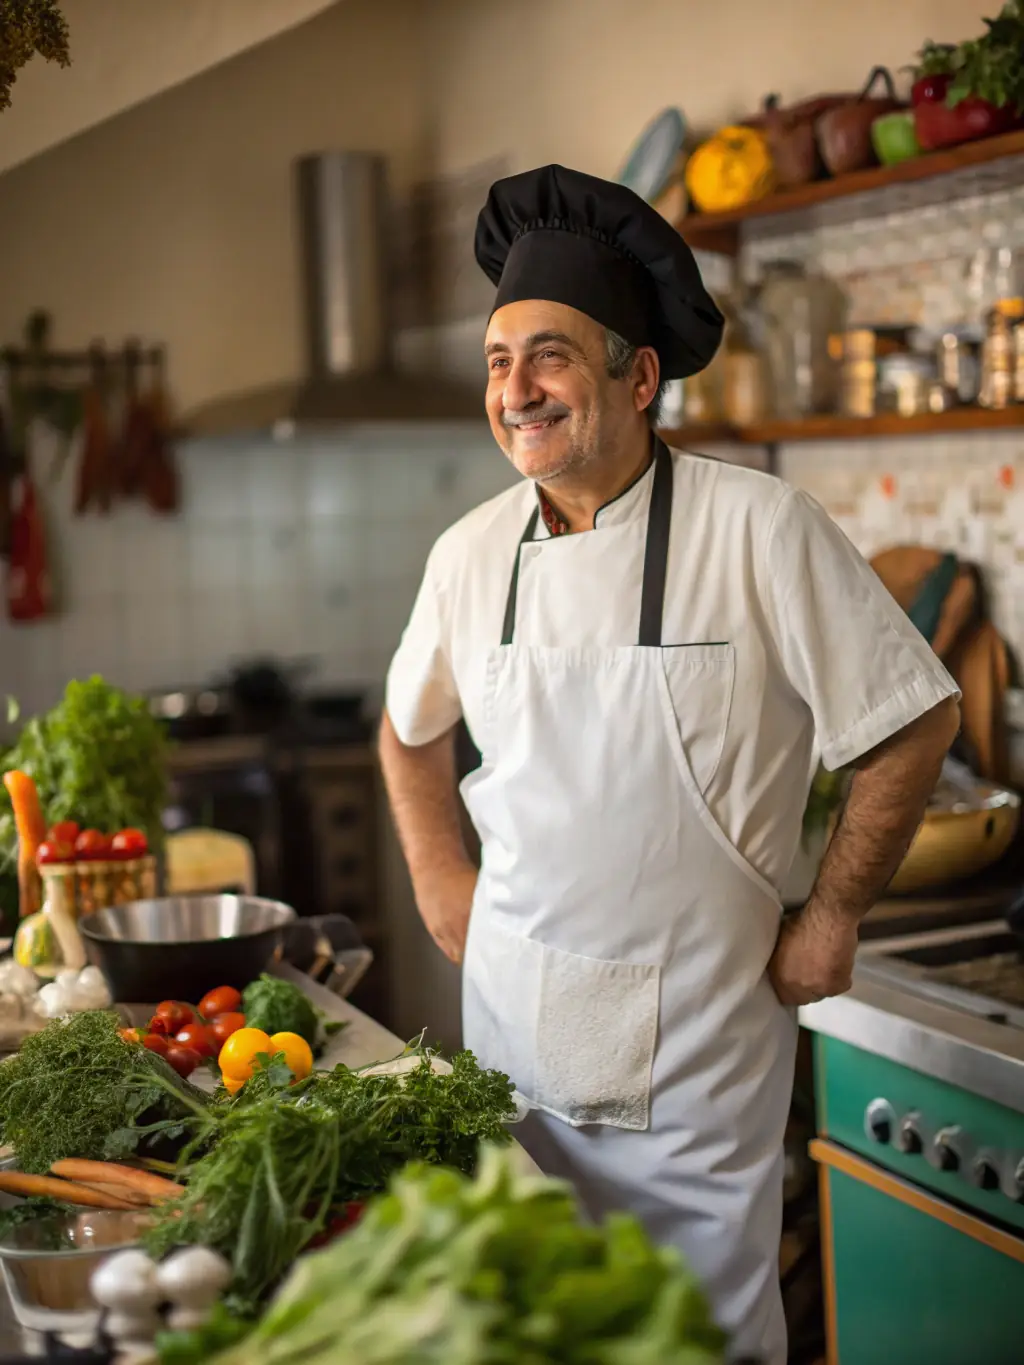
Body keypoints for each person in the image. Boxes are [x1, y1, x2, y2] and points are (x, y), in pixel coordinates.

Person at [379, 163, 960, 1363]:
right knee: (531, 1333)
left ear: (638, 378)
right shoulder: (467, 552)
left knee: (693, 1337)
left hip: (693, 1072)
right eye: (497, 362)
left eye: (548, 356)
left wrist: (834, 914)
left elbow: (913, 721)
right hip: (509, 1057)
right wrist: (440, 875)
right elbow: (408, 725)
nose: (516, 390)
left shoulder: (761, 529)